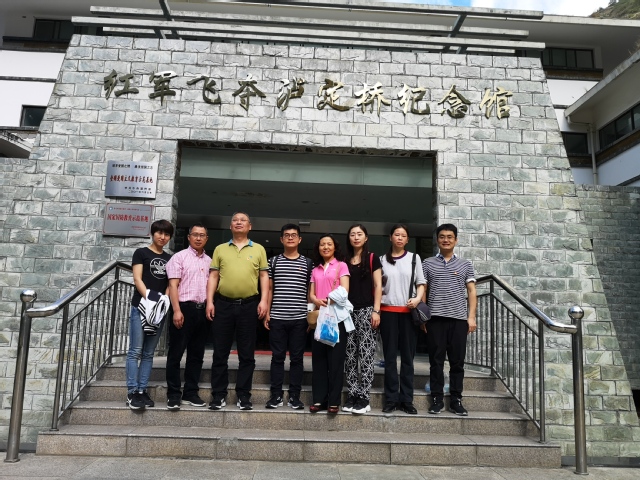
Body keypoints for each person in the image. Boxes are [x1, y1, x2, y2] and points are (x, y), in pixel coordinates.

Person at [206, 212, 269, 411]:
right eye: (235, 220)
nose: (239, 222)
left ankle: (244, 395)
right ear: (230, 226)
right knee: (220, 353)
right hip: (223, 305)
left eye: (243, 220)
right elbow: (213, 276)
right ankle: (218, 395)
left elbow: (264, 277)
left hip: (249, 305)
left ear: (250, 226)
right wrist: (210, 301)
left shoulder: (258, 249)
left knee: (247, 354)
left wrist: (264, 301)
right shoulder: (220, 249)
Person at [422, 223, 477, 416]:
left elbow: (472, 291)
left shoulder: (465, 264)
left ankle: (456, 400)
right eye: (442, 236)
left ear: (456, 240)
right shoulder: (427, 263)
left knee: (457, 362)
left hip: (459, 320)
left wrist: (471, 317)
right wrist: (423, 317)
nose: (446, 240)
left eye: (449, 237)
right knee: (436, 361)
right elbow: (423, 290)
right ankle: (437, 399)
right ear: (437, 240)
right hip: (435, 319)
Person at [263, 224, 312, 410]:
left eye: (294, 235)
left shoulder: (308, 263)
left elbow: (310, 292)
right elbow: (270, 289)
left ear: (300, 239)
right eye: (286, 235)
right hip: (277, 317)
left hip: (300, 319)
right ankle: (275, 395)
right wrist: (267, 313)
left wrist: (310, 317)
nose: (290, 238)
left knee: (297, 359)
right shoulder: (273, 262)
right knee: (277, 358)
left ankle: (294, 397)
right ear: (281, 239)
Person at [126, 219, 174, 410]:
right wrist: (152, 299)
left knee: (148, 353)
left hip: (158, 312)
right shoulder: (141, 253)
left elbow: (170, 283)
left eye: (167, 234)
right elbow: (137, 279)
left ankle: (142, 390)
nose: (163, 237)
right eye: (159, 233)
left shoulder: (170, 258)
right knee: (135, 351)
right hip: (141, 307)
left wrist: (164, 302)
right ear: (153, 233)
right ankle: (132, 392)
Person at [379, 224, 426, 415]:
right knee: (389, 358)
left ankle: (407, 400)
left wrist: (417, 298)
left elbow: (421, 283)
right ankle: (391, 399)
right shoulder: (381, 260)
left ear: (407, 240)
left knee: (408, 358)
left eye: (403, 235)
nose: (399, 238)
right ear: (390, 237)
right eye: (396, 234)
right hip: (387, 312)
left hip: (408, 313)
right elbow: (378, 287)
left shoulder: (414, 258)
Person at [165, 223, 211, 410]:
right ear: (189, 237)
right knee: (176, 354)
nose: (198, 238)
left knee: (196, 355)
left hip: (202, 311)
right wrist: (176, 310)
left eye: (202, 235)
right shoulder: (179, 257)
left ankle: (191, 392)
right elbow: (173, 285)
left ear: (206, 238)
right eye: (195, 234)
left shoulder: (210, 261)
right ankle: (173, 394)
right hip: (184, 308)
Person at [308, 234, 350, 414]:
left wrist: (328, 299)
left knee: (335, 361)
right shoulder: (315, 269)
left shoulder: (341, 265)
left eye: (329, 244)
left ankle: (333, 401)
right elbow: (311, 293)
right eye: (322, 244)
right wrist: (316, 300)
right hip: (320, 318)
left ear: (335, 247)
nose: (325, 247)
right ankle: (318, 400)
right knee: (319, 360)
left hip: (336, 318)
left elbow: (345, 290)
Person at [343, 224, 382, 415]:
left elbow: (378, 285)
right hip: (347, 313)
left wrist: (376, 311)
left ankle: (364, 397)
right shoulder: (344, 260)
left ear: (366, 238)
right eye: (352, 234)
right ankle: (352, 394)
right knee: (350, 356)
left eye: (359, 234)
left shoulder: (373, 258)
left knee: (366, 355)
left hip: (367, 311)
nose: (356, 237)